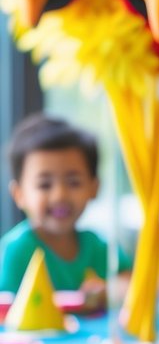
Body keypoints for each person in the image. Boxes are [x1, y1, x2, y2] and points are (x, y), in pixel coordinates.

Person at [0, 112, 129, 300]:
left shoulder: (98, 247)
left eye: (73, 182)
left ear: (94, 188)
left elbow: (131, 283)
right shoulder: (15, 251)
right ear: (19, 194)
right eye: (45, 185)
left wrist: (108, 291)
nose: (59, 195)